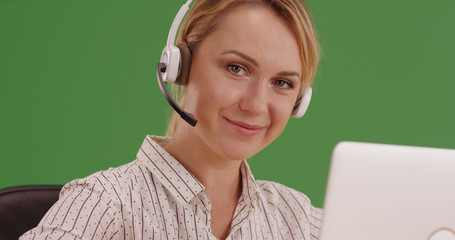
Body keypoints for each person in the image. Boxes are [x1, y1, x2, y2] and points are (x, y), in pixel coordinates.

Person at [20, 0, 322, 239]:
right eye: (236, 68)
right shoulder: (105, 204)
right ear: (180, 64)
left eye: (282, 83)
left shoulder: (297, 218)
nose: (256, 105)